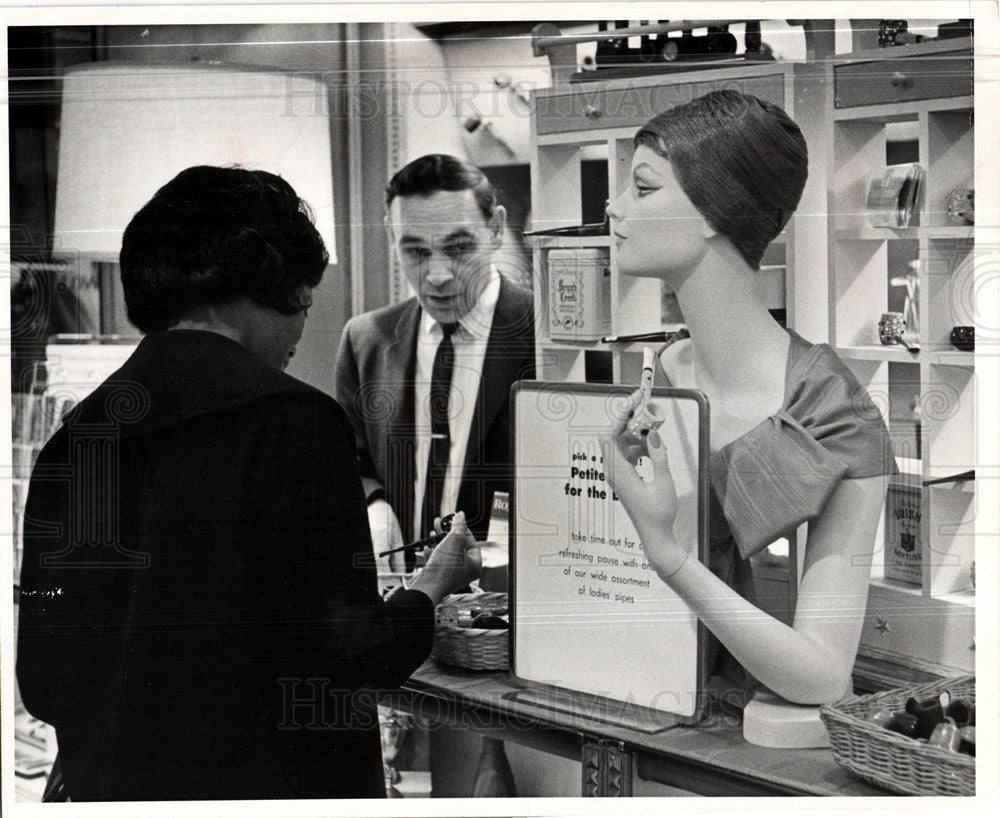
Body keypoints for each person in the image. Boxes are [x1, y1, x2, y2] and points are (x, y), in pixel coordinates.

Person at [15, 166, 480, 801]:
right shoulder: (294, 424)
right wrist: (430, 588)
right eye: (305, 300)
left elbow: (42, 679)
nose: (300, 332)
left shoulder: (77, 439)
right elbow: (341, 657)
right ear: (260, 288)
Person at [601, 91, 896, 706]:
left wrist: (668, 555)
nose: (614, 207)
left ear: (716, 209)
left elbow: (821, 676)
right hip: (634, 699)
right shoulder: (660, 373)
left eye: (643, 188)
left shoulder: (836, 417)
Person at [334, 154, 535, 570]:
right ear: (392, 237)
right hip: (401, 600)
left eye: (458, 248)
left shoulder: (549, 340)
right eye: (416, 251)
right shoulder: (365, 339)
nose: (438, 275)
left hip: (508, 606)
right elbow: (348, 461)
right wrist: (372, 504)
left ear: (496, 228)